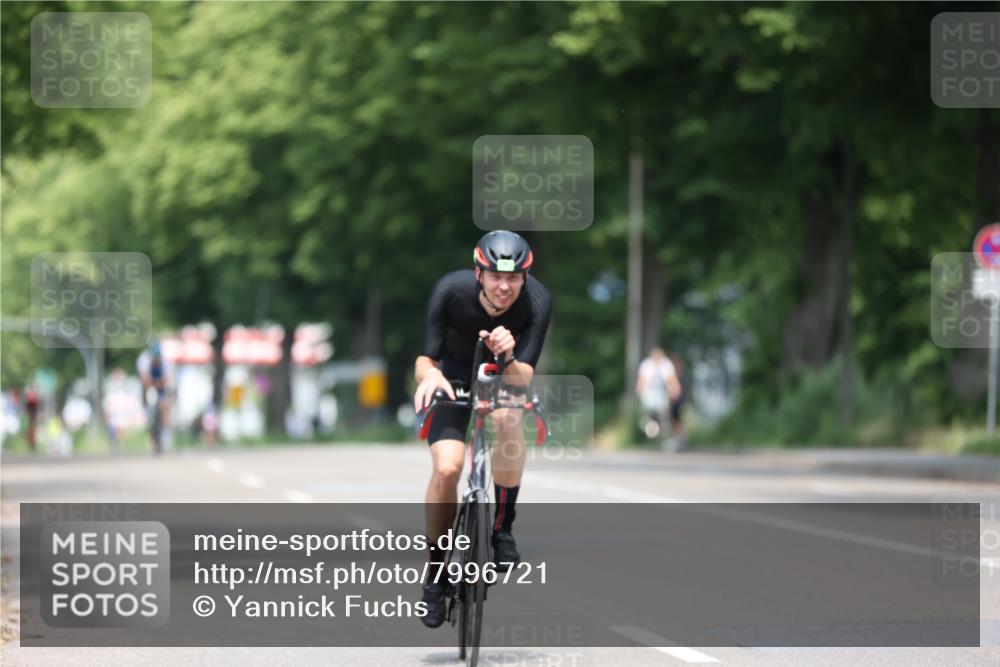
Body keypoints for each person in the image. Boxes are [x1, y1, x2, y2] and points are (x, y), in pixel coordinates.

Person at [413, 230, 552, 629]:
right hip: (452, 379)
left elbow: (523, 379)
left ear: (524, 278)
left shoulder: (538, 302)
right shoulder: (451, 292)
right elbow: (425, 359)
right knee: (447, 468)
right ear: (479, 274)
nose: (504, 287)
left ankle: (502, 529)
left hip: (503, 376)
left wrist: (507, 354)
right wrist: (431, 377)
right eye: (495, 277)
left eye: (513, 278)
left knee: (508, 417)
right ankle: (436, 574)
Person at [635, 347, 682, 440]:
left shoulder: (666, 364)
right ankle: (649, 425)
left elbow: (671, 378)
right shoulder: (646, 365)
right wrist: (639, 389)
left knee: (663, 411)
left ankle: (663, 427)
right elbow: (642, 379)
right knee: (648, 410)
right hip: (649, 392)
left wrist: (675, 389)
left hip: (662, 392)